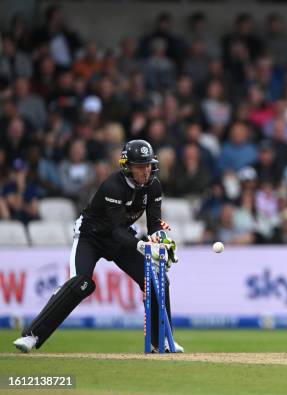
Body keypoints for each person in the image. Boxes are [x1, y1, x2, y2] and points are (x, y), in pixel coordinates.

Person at [13, 140, 183, 353]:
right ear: (127, 166)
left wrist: (161, 242)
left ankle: (162, 341)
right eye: (140, 166)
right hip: (90, 237)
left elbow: (154, 224)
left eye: (148, 165)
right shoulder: (113, 186)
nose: (145, 171)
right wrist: (143, 246)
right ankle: (32, 335)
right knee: (80, 283)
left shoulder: (154, 186)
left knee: (157, 278)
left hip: (121, 238)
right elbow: (114, 229)